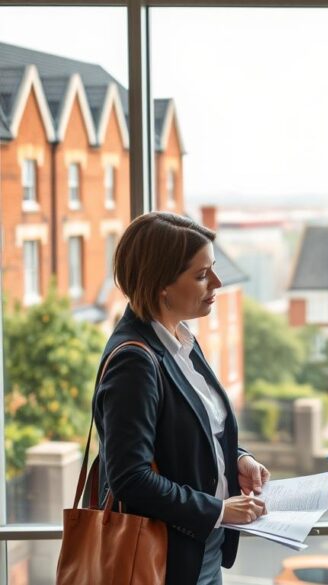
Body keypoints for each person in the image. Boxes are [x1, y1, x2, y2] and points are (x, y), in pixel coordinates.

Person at [95, 212, 270, 585]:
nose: (217, 283)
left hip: (200, 547)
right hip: (162, 559)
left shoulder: (182, 340)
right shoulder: (134, 361)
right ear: (162, 284)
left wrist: (237, 458)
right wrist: (219, 510)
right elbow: (131, 478)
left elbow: (185, 431)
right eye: (202, 275)